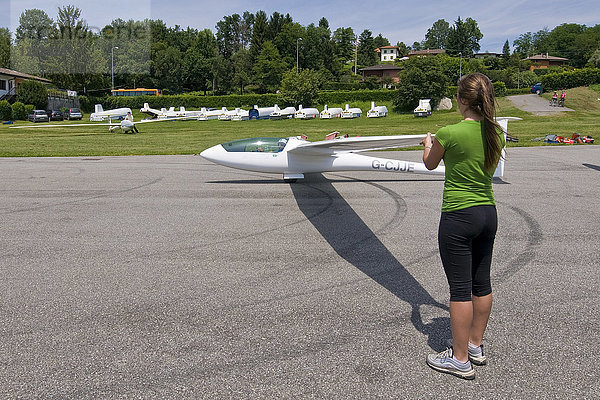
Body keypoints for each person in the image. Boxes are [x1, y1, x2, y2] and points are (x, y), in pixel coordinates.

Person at [421, 72, 505, 380]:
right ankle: (474, 344)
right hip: (488, 212)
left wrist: (428, 143)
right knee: (481, 283)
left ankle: (459, 359)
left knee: (460, 290)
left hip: (459, 215)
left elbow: (430, 163)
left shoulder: (449, 132)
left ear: (461, 101)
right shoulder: (497, 133)